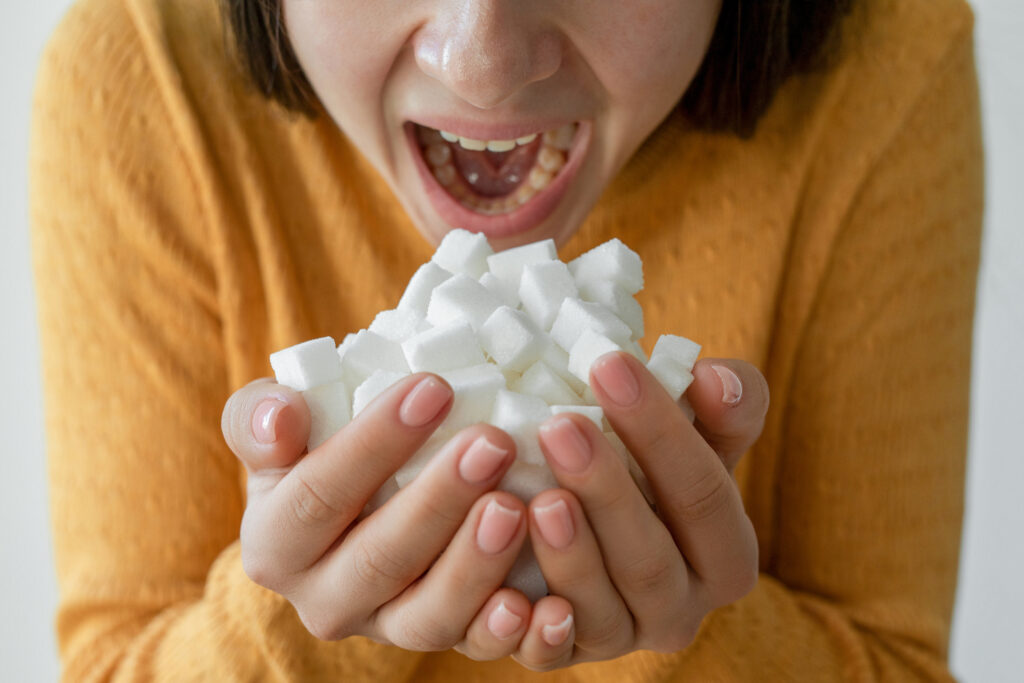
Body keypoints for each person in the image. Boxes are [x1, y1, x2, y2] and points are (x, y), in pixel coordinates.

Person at [30, 0, 982, 679]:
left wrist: (684, 633)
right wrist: (303, 616)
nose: (479, 62)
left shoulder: (887, 57)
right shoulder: (144, 74)